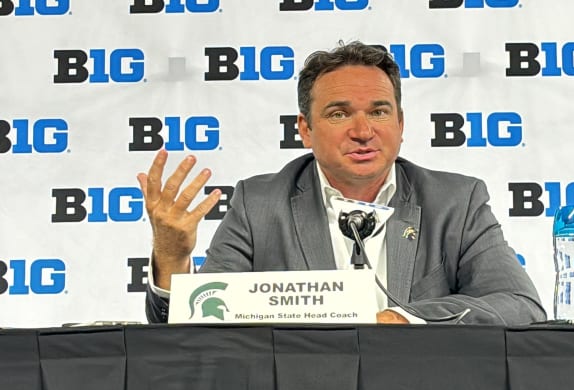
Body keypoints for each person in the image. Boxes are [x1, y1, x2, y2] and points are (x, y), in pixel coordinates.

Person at [139, 41, 546, 325]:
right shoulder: (258, 204)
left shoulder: (457, 202)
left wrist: (404, 319)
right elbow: (198, 326)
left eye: (379, 112)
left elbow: (519, 305)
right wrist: (172, 258)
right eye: (339, 114)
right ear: (305, 130)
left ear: (401, 124)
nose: (363, 131)